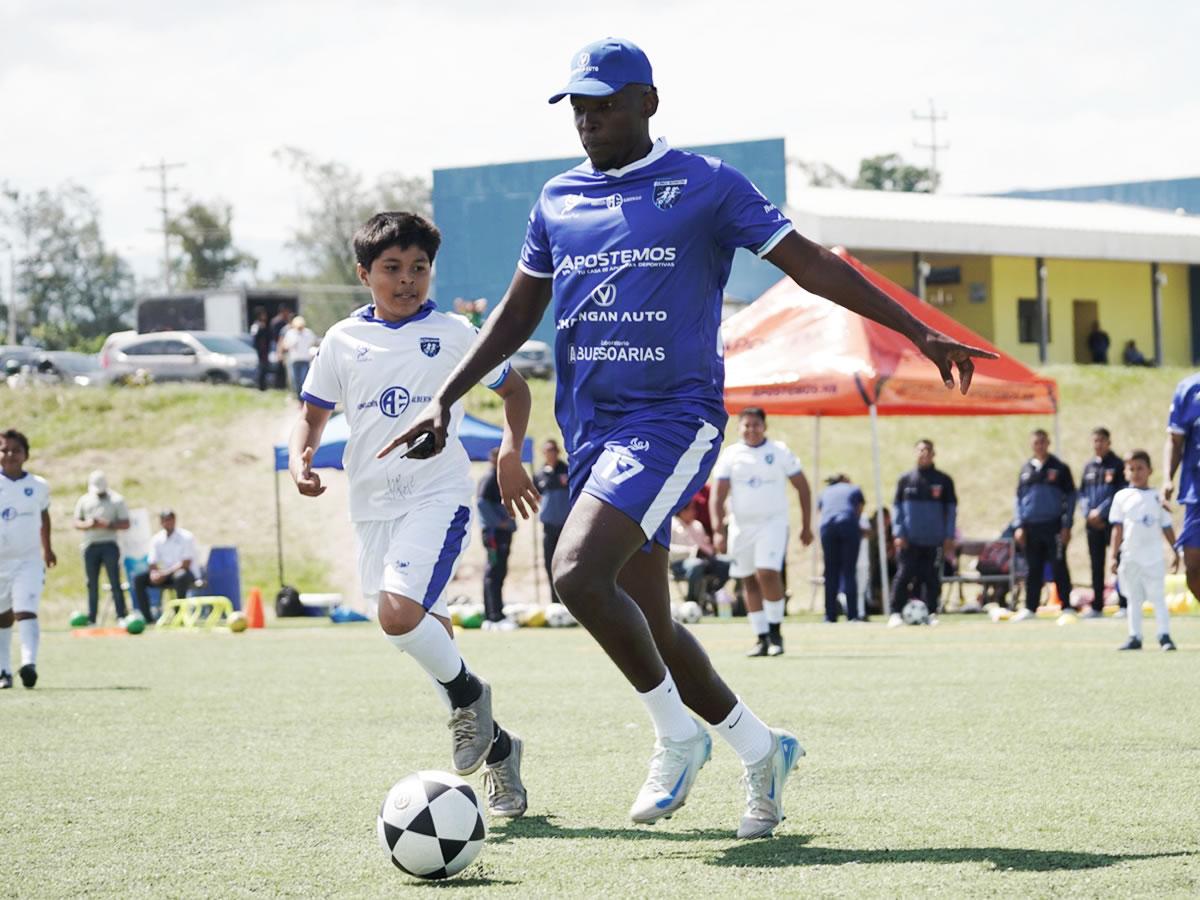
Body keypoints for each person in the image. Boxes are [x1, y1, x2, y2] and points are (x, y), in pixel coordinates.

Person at [381, 37, 992, 839]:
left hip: (673, 419)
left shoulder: (707, 187)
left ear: (649, 102)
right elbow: (517, 314)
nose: (590, 119)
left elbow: (811, 264)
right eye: (579, 106)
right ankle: (761, 748)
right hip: (594, 430)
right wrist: (445, 397)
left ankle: (676, 737)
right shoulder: (557, 199)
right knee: (653, 625)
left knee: (575, 573)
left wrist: (918, 331)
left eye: (605, 103)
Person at [288, 211, 536, 818]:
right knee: (430, 640)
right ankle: (500, 748)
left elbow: (516, 390)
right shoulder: (342, 340)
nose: (407, 280)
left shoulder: (455, 331)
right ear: (364, 274)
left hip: (437, 496)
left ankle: (473, 699)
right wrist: (301, 459)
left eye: (419, 268)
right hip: (370, 508)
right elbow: (313, 412)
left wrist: (509, 452)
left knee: (396, 617)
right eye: (392, 269)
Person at [710, 407, 812, 656]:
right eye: (746, 425)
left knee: (767, 572)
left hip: (772, 523)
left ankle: (776, 632)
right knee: (747, 578)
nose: (751, 430)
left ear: (764, 427)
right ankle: (761, 637)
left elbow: (802, 487)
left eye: (756, 425)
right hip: (741, 526)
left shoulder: (779, 452)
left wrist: (807, 525)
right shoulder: (731, 454)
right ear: (739, 428)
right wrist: (718, 529)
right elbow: (718, 492)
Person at [0, 430, 55, 689]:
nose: (9, 454)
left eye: (15, 450)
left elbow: (44, 517)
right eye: (4, 449)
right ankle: (3, 670)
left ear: (26, 455)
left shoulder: (38, 486)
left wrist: (48, 548)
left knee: (26, 609)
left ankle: (29, 663)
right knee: (2, 616)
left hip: (28, 559)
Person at [1109, 450, 1179, 651]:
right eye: (1132, 468)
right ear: (1125, 472)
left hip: (1153, 558)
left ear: (1150, 470)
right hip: (1130, 556)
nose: (1136, 472)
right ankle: (1135, 635)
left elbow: (1166, 526)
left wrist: (1175, 551)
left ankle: (1164, 635)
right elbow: (1118, 528)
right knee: (1133, 597)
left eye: (1140, 468)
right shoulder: (1122, 496)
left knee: (1158, 596)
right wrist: (1113, 556)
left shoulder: (1157, 498)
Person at [887, 440, 957, 628]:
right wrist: (899, 532)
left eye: (927, 450)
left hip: (933, 540)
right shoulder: (906, 480)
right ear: (915, 453)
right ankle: (895, 613)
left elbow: (951, 510)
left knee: (931, 578)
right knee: (903, 575)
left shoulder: (943, 480)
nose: (924, 453)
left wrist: (949, 535)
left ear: (933, 454)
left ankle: (932, 612)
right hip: (909, 540)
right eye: (920, 450)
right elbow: (897, 509)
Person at [1012, 429, 1076, 621]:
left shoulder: (1059, 468)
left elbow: (1071, 498)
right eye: (1036, 442)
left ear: (1048, 443)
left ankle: (1066, 605)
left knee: (1058, 565)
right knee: (1033, 568)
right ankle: (1030, 607)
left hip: (1053, 525)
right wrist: (1019, 525)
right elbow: (1018, 499)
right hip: (1031, 526)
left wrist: (1067, 525)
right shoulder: (1026, 469)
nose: (1039, 445)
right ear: (1032, 445)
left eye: (1043, 442)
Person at [1079, 427, 1127, 618]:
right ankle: (1097, 605)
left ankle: (1125, 604)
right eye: (1095, 441)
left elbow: (1119, 492)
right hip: (1092, 524)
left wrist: (1102, 512)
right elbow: (1081, 493)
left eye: (1102, 440)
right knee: (1096, 564)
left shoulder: (1117, 465)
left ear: (1109, 442)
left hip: (1112, 522)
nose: (1098, 444)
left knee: (1120, 561)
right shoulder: (1089, 467)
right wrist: (1087, 513)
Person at [73, 470, 130, 624]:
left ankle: (121, 616)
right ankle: (92, 618)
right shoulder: (84, 500)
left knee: (114, 581)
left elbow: (126, 523)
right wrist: (89, 524)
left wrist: (108, 524)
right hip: (90, 545)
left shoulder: (117, 500)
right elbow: (77, 523)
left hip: (109, 545)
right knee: (91, 583)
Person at [1164, 371, 1200, 608]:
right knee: (1194, 569)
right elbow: (1175, 441)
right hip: (1195, 493)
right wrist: (1167, 477)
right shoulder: (1188, 388)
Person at [131, 509, 199, 621]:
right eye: (165, 520)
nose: (168, 523)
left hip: (185, 574)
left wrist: (164, 574)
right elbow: (152, 561)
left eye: (170, 520)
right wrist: (154, 573)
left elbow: (185, 563)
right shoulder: (157, 539)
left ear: (174, 520)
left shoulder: (186, 536)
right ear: (161, 522)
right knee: (139, 579)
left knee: (180, 576)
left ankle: (179, 617)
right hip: (166, 574)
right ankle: (148, 619)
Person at [477, 447, 517, 630]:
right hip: (494, 533)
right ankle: (493, 615)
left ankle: (497, 611)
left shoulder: (502, 477)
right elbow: (482, 504)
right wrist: (498, 523)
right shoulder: (490, 478)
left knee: (499, 571)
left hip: (502, 532)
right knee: (493, 571)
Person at [817, 475, 866, 622]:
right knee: (849, 571)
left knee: (830, 572)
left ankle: (830, 615)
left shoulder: (825, 492)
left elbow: (822, 510)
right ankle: (852, 615)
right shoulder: (854, 488)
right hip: (848, 525)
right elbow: (859, 509)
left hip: (827, 527)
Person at [669, 504, 731, 607]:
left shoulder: (697, 525)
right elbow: (669, 549)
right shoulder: (672, 524)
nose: (694, 512)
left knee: (727, 563)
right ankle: (692, 601)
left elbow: (705, 546)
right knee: (697, 565)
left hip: (703, 560)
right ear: (682, 511)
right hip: (680, 563)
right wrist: (691, 550)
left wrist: (709, 550)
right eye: (691, 509)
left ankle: (710, 592)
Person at [533, 439, 570, 603]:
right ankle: (554, 601)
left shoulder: (567, 470)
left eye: (553, 450)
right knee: (550, 564)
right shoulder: (540, 474)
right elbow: (537, 496)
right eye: (548, 450)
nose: (551, 453)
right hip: (548, 526)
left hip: (566, 526)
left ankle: (568, 602)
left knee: (566, 564)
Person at [280, 315, 318, 401]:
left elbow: (314, 343)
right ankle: (299, 400)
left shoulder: (308, 333)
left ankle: (305, 399)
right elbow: (284, 345)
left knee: (304, 380)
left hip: (305, 359)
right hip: (294, 360)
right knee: (295, 381)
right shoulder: (290, 333)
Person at [270, 305, 294, 389]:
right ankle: (279, 385)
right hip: (280, 347)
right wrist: (279, 351)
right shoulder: (279, 323)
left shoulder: (280, 322)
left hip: (283, 347)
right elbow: (278, 338)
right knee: (281, 368)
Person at [250, 306, 272, 391]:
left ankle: (264, 386)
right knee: (261, 368)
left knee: (265, 368)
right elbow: (254, 338)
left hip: (265, 351)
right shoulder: (256, 325)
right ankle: (260, 386)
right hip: (260, 351)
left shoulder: (265, 325)